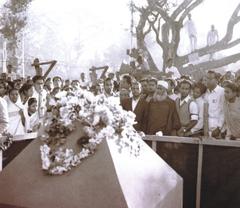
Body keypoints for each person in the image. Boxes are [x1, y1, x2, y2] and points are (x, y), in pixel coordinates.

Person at [204, 70, 225, 138]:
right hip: (205, 129)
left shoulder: (222, 92)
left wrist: (219, 127)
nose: (207, 81)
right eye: (206, 78)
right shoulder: (204, 93)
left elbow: (223, 111)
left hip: (218, 130)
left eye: (210, 79)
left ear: (216, 80)